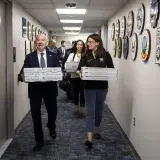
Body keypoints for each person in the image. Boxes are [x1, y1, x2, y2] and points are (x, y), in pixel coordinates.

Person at [21, 34, 60, 152]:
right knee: (35, 115)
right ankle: (39, 141)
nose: (40, 42)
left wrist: (59, 74)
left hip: (50, 88)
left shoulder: (53, 56)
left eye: (43, 40)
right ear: (35, 42)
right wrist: (24, 76)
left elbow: (58, 70)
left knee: (53, 112)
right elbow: (24, 73)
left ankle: (51, 125)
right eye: (38, 40)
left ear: (46, 42)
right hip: (35, 90)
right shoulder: (29, 57)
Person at [76, 33, 114, 148]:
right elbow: (78, 69)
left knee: (99, 111)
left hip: (102, 88)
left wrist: (106, 73)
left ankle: (96, 130)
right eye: (88, 42)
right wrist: (80, 74)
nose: (88, 44)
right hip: (88, 87)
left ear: (97, 42)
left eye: (91, 42)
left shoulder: (105, 55)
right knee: (90, 112)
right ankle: (89, 139)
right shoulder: (85, 55)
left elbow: (111, 69)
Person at [65, 40, 86, 117]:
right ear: (76, 46)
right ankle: (77, 106)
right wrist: (75, 70)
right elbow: (66, 65)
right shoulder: (72, 55)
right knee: (76, 93)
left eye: (81, 44)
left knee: (83, 93)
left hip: (83, 78)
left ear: (83, 46)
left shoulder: (85, 54)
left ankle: (82, 108)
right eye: (78, 44)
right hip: (74, 77)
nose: (80, 46)